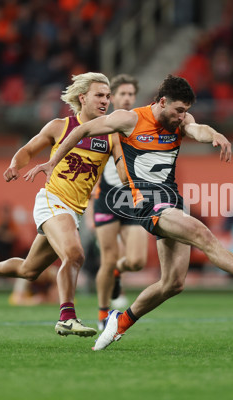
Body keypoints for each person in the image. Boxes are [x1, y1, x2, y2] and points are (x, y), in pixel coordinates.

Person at [25, 75, 233, 350]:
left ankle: (120, 321)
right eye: (178, 110)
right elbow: (81, 130)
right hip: (149, 204)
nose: (182, 117)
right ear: (162, 102)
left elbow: (199, 129)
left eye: (185, 111)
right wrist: (52, 161)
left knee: (173, 283)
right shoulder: (129, 120)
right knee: (200, 232)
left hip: (172, 201)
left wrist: (215, 135)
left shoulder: (182, 121)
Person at [0, 72, 124, 337]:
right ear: (82, 97)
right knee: (75, 254)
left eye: (108, 96)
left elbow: (121, 167)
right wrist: (16, 163)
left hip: (73, 211)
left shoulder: (111, 134)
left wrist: (132, 180)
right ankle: (67, 317)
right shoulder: (60, 126)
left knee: (29, 270)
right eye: (99, 95)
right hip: (52, 200)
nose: (105, 101)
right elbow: (28, 149)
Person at [92, 74, 148, 330]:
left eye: (130, 94)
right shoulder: (103, 125)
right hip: (106, 198)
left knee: (136, 261)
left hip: (132, 198)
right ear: (112, 98)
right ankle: (104, 313)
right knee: (107, 256)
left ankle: (117, 272)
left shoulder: (142, 124)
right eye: (121, 94)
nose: (126, 98)